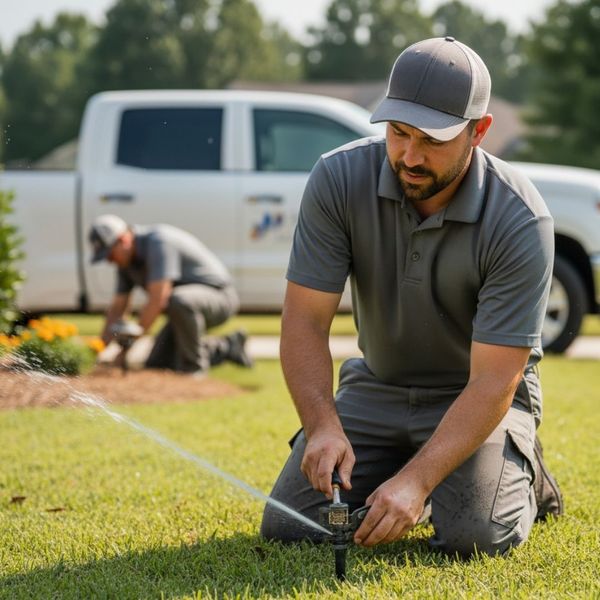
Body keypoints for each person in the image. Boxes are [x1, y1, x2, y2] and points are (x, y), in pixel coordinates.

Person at [261, 36, 563, 557]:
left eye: (433, 139)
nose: (410, 156)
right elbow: (305, 322)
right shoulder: (336, 179)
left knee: (473, 536)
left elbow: (495, 377)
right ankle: (419, 470)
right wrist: (322, 427)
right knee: (293, 526)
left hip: (476, 395)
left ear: (479, 131)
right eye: (398, 133)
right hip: (376, 388)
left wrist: (418, 482)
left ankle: (523, 469)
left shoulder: (521, 219)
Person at [88, 214, 252, 374]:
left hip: (219, 298)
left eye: (109, 254)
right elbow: (117, 309)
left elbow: (158, 299)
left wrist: (127, 347)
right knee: (157, 363)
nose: (109, 261)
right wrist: (97, 350)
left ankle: (194, 368)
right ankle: (228, 346)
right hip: (182, 309)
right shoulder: (125, 263)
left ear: (124, 240)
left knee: (179, 299)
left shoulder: (158, 242)